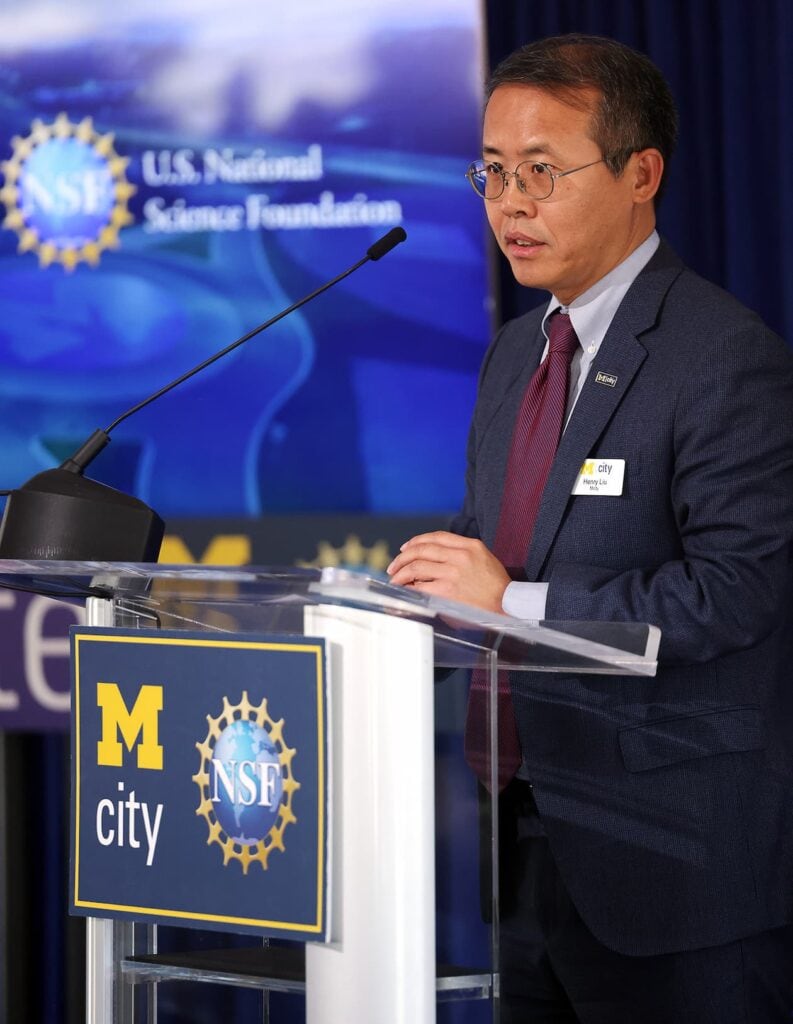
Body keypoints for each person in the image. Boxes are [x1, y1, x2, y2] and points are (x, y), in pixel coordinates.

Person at [386, 33, 793, 1024]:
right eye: (491, 173)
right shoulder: (514, 352)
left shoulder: (721, 358)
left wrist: (509, 601)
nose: (509, 204)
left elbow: (734, 591)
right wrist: (394, 616)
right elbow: (493, 543)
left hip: (675, 871)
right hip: (524, 852)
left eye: (540, 172)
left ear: (639, 174)